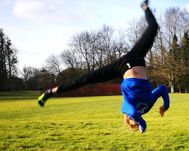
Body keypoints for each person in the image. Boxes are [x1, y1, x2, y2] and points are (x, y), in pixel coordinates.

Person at [38, 0, 170, 133]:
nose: (131, 117)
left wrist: (142, 123)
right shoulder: (147, 107)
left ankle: (50, 92)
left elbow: (132, 112)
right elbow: (162, 89)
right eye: (134, 120)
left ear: (127, 118)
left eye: (130, 119)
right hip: (137, 58)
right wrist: (165, 106)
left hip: (120, 68)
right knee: (153, 27)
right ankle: (145, 7)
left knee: (85, 79)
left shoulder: (126, 107)